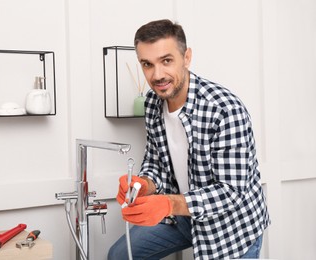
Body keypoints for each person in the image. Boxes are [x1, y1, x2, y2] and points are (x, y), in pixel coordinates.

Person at [108, 19, 270, 260]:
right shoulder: (154, 103)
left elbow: (231, 192)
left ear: (186, 57)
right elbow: (155, 161)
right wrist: (143, 184)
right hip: (182, 218)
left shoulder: (224, 109)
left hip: (231, 229)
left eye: (166, 61)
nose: (157, 75)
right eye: (147, 64)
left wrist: (167, 204)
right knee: (120, 255)